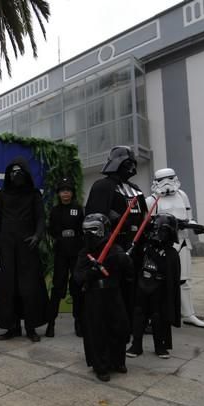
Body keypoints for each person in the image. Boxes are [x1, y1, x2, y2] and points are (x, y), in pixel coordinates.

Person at [85, 146, 148, 354]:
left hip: (136, 247)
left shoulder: (136, 189)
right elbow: (95, 220)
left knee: (135, 291)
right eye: (125, 162)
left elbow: (144, 217)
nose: (130, 167)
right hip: (114, 248)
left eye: (132, 163)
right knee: (116, 293)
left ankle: (133, 326)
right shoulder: (103, 187)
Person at [0, 157, 48, 342]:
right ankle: (11, 327)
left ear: (26, 173)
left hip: (27, 248)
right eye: (12, 172)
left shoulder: (34, 195)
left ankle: (30, 328)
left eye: (19, 171)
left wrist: (37, 236)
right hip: (6, 249)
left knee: (29, 289)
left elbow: (40, 218)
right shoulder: (2, 195)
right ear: (8, 175)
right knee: (8, 289)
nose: (16, 175)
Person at [147, 168, 204, 328]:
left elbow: (190, 217)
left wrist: (194, 226)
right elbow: (148, 225)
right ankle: (158, 315)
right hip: (162, 247)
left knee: (185, 281)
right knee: (158, 281)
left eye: (170, 178)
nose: (166, 183)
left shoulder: (182, 195)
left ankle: (188, 314)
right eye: (162, 180)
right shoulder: (151, 200)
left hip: (182, 242)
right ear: (156, 182)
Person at [74, 213, 132, 382]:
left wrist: (123, 260)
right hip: (94, 296)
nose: (89, 234)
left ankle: (118, 361)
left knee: (118, 327)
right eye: (86, 231)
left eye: (93, 230)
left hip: (113, 294)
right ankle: (101, 366)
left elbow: (128, 274)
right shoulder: (85, 253)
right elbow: (77, 277)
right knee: (97, 331)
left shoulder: (115, 249)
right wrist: (90, 273)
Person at [129, 214, 182, 359]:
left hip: (159, 287)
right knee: (139, 314)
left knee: (158, 315)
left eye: (162, 231)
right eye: (156, 230)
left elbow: (170, 273)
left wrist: (154, 253)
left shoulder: (171, 253)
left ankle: (160, 345)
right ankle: (136, 344)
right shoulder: (143, 247)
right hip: (142, 284)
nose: (158, 234)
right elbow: (134, 263)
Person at [45, 177, 84, 337]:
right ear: (59, 193)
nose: (65, 194)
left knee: (77, 288)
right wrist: (62, 236)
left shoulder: (79, 208)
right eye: (62, 191)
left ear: (72, 193)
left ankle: (79, 323)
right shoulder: (55, 210)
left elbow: (83, 230)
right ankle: (51, 324)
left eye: (68, 190)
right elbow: (52, 230)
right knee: (57, 288)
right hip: (61, 254)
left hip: (76, 254)